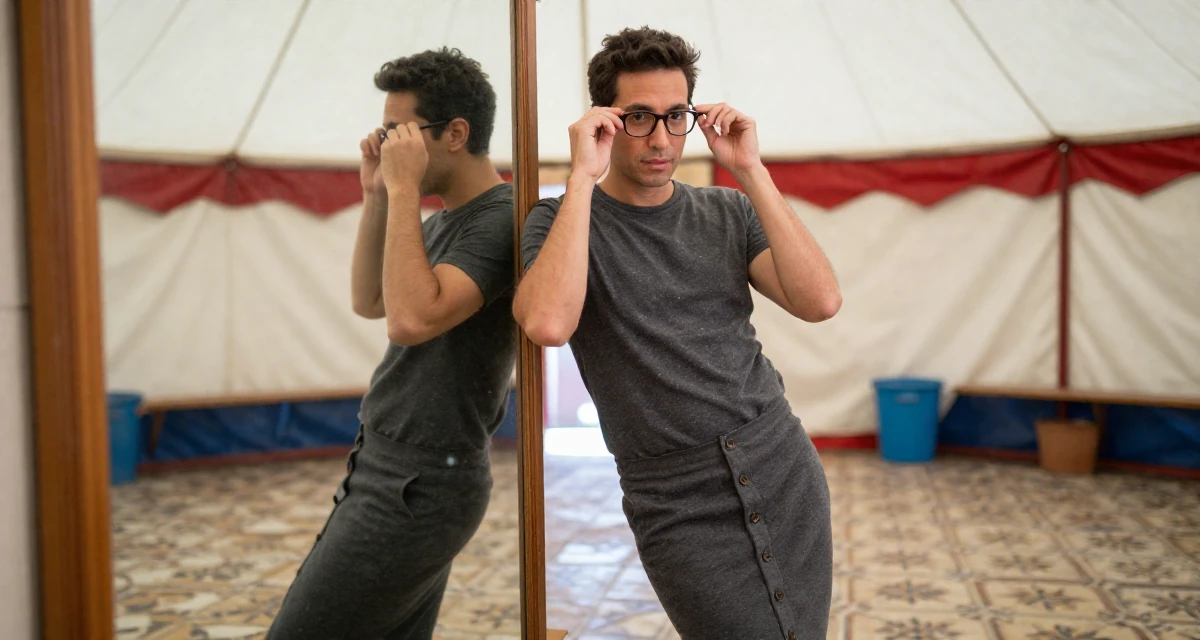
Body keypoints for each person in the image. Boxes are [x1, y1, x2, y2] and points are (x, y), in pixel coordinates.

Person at [515, 27, 841, 639]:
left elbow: (820, 300)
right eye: (638, 117)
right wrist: (580, 177)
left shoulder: (728, 211)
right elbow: (548, 323)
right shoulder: (559, 219)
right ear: (604, 121)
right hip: (672, 499)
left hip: (781, 464)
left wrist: (751, 168)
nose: (660, 138)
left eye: (674, 116)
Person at [268, 48, 516, 639]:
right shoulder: (433, 222)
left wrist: (404, 193)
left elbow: (410, 320)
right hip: (383, 464)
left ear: (456, 133)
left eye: (401, 131)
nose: (388, 146)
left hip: (424, 484)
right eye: (386, 132)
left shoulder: (502, 219)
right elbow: (369, 300)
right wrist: (379, 194)